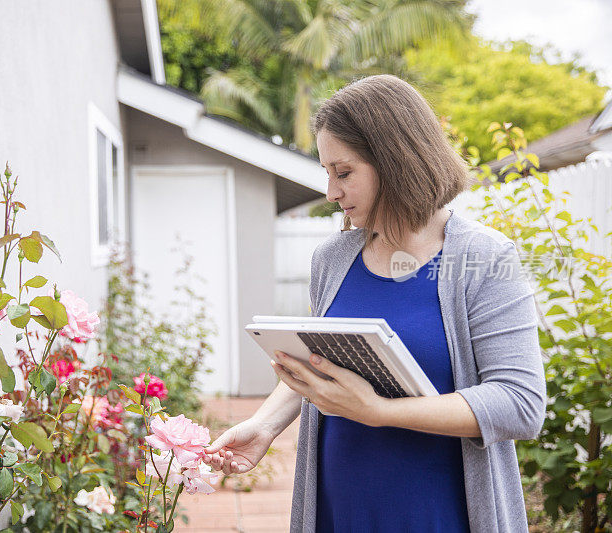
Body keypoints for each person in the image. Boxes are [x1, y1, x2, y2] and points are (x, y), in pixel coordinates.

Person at [202, 74, 547, 532]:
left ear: (396, 161)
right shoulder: (334, 258)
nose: (331, 193)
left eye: (344, 173)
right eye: (327, 174)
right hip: (340, 508)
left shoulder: (484, 258)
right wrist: (265, 426)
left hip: (436, 513)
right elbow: (321, 361)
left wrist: (378, 412)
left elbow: (520, 403)